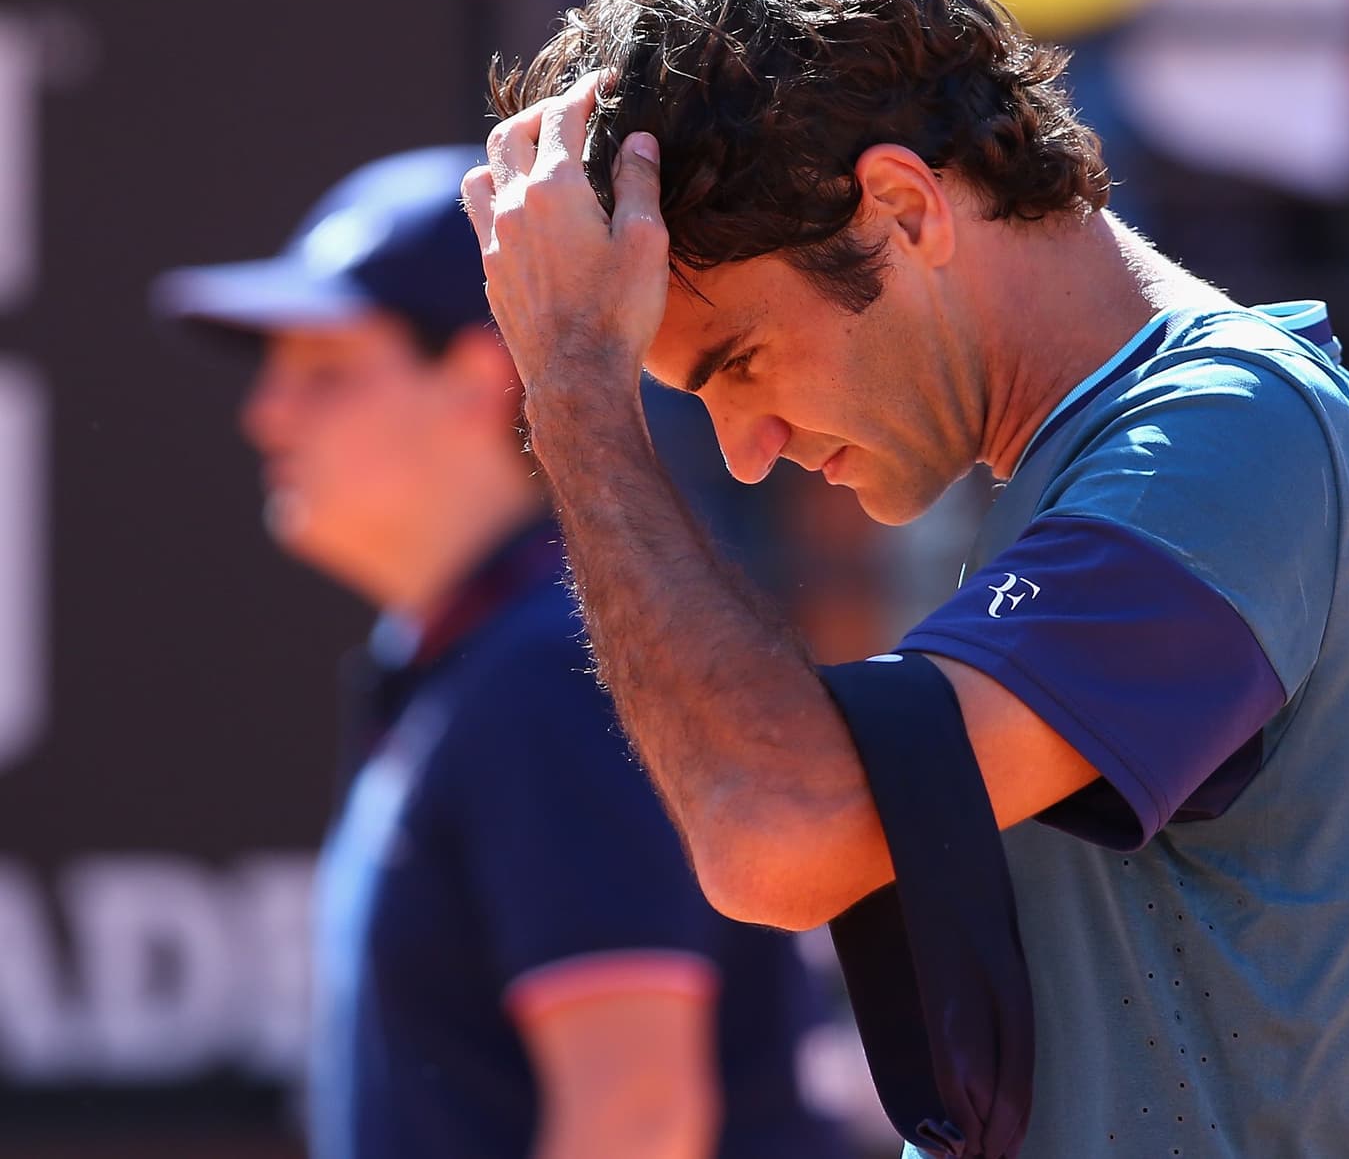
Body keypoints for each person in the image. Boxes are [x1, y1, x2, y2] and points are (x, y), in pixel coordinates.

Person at [462, 0, 1349, 1157]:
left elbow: (779, 830)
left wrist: (577, 396)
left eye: (742, 362)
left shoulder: (1224, 451)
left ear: (903, 209)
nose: (745, 448)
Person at [151, 146, 845, 1159]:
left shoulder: (554, 676)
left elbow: (638, 1121)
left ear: (478, 382)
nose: (267, 414)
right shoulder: (494, 660)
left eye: (324, 372)